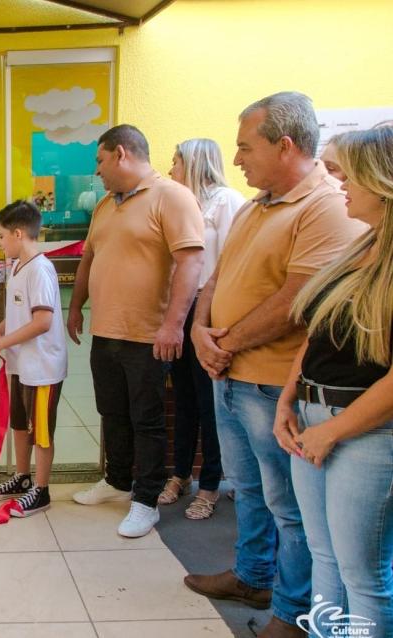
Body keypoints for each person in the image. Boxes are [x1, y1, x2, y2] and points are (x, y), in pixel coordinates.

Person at [185, 92, 367, 638]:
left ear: (284, 146)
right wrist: (199, 331)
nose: (236, 159)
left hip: (272, 385)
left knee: (290, 507)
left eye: (245, 147)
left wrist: (227, 342)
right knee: (250, 490)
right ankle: (251, 576)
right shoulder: (256, 205)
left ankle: (291, 613)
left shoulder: (327, 206)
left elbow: (298, 299)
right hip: (230, 374)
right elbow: (216, 278)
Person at [275, 127, 393, 638]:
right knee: (324, 558)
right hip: (312, 414)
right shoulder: (360, 249)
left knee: (362, 576)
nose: (336, 181)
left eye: (347, 171)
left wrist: (335, 430)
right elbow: (318, 334)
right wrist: (288, 399)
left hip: (365, 429)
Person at [67, 124, 204, 538]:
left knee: (147, 419)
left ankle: (145, 501)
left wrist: (173, 325)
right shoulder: (106, 204)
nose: (98, 170)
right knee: (112, 412)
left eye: (100, 160)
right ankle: (117, 481)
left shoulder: (173, 197)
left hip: (148, 335)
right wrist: (75, 306)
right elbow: (90, 259)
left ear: (122, 154)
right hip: (107, 330)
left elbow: (191, 264)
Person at [160, 138, 245, 520]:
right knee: (184, 398)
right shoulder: (182, 203)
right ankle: (180, 475)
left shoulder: (226, 201)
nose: (171, 168)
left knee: (210, 402)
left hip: (209, 310)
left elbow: (233, 264)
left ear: (195, 162)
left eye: (176, 160)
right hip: (180, 306)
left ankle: (210, 484)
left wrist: (209, 317)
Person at [0, 200, 67, 517]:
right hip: (20, 365)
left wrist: (0, 343)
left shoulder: (40, 270)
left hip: (42, 369)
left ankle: (41, 490)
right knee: (20, 425)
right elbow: (20, 311)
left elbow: (42, 321)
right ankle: (22, 477)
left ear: (18, 234)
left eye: (1, 236)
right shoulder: (17, 266)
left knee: (41, 432)